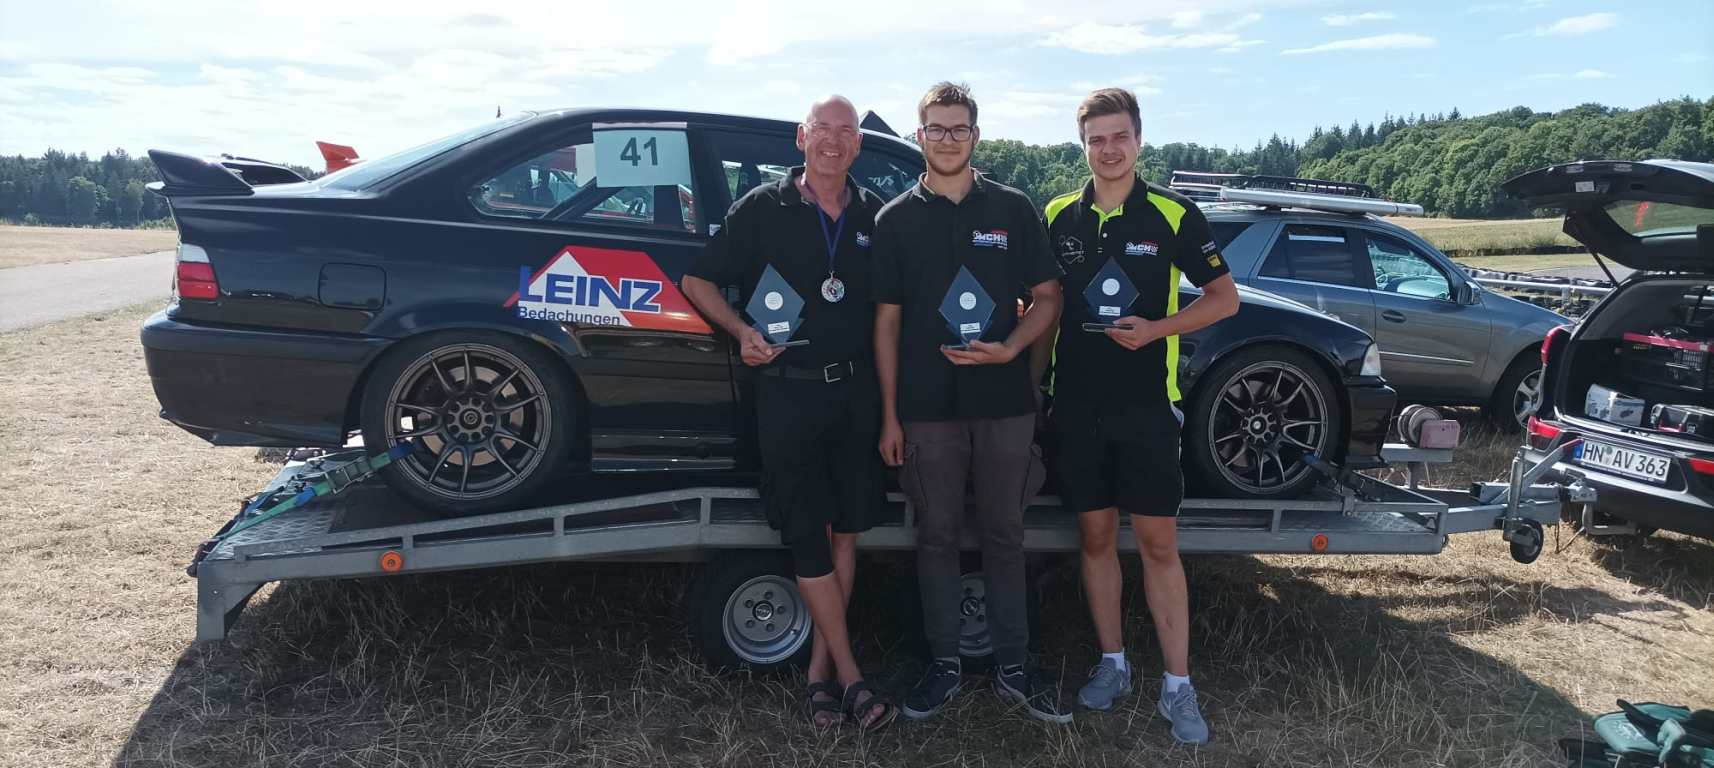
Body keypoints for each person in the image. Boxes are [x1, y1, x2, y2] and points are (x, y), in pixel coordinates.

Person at [682, 95, 897, 732]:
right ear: (801, 138)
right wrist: (741, 329)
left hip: (856, 395)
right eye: (822, 130)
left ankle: (817, 675)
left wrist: (890, 414)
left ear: (858, 143)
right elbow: (698, 282)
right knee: (807, 532)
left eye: (846, 131)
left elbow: (889, 321)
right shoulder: (761, 209)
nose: (834, 141)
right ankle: (851, 675)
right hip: (786, 391)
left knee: (847, 531)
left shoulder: (874, 216)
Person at [1033, 87, 1239, 744]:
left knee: (1157, 545)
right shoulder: (1059, 214)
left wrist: (1157, 330)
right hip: (1078, 409)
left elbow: (1224, 299)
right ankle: (1113, 663)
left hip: (1147, 409)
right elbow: (1045, 309)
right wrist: (1034, 388)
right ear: (1083, 145)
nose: (1109, 149)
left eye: (1119, 136)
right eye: (1096, 139)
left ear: (1139, 139)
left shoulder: (1174, 214)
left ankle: (1178, 686)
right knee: (1095, 540)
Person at [871, 82, 1069, 723]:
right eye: (936, 128)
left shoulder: (1013, 209)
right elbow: (888, 324)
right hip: (927, 409)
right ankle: (945, 666)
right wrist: (889, 414)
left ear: (976, 136)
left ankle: (1016, 666)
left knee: (1007, 536)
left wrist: (1012, 352)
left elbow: (1049, 298)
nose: (948, 139)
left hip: (1005, 404)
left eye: (959, 129)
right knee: (936, 537)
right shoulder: (894, 219)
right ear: (919, 135)